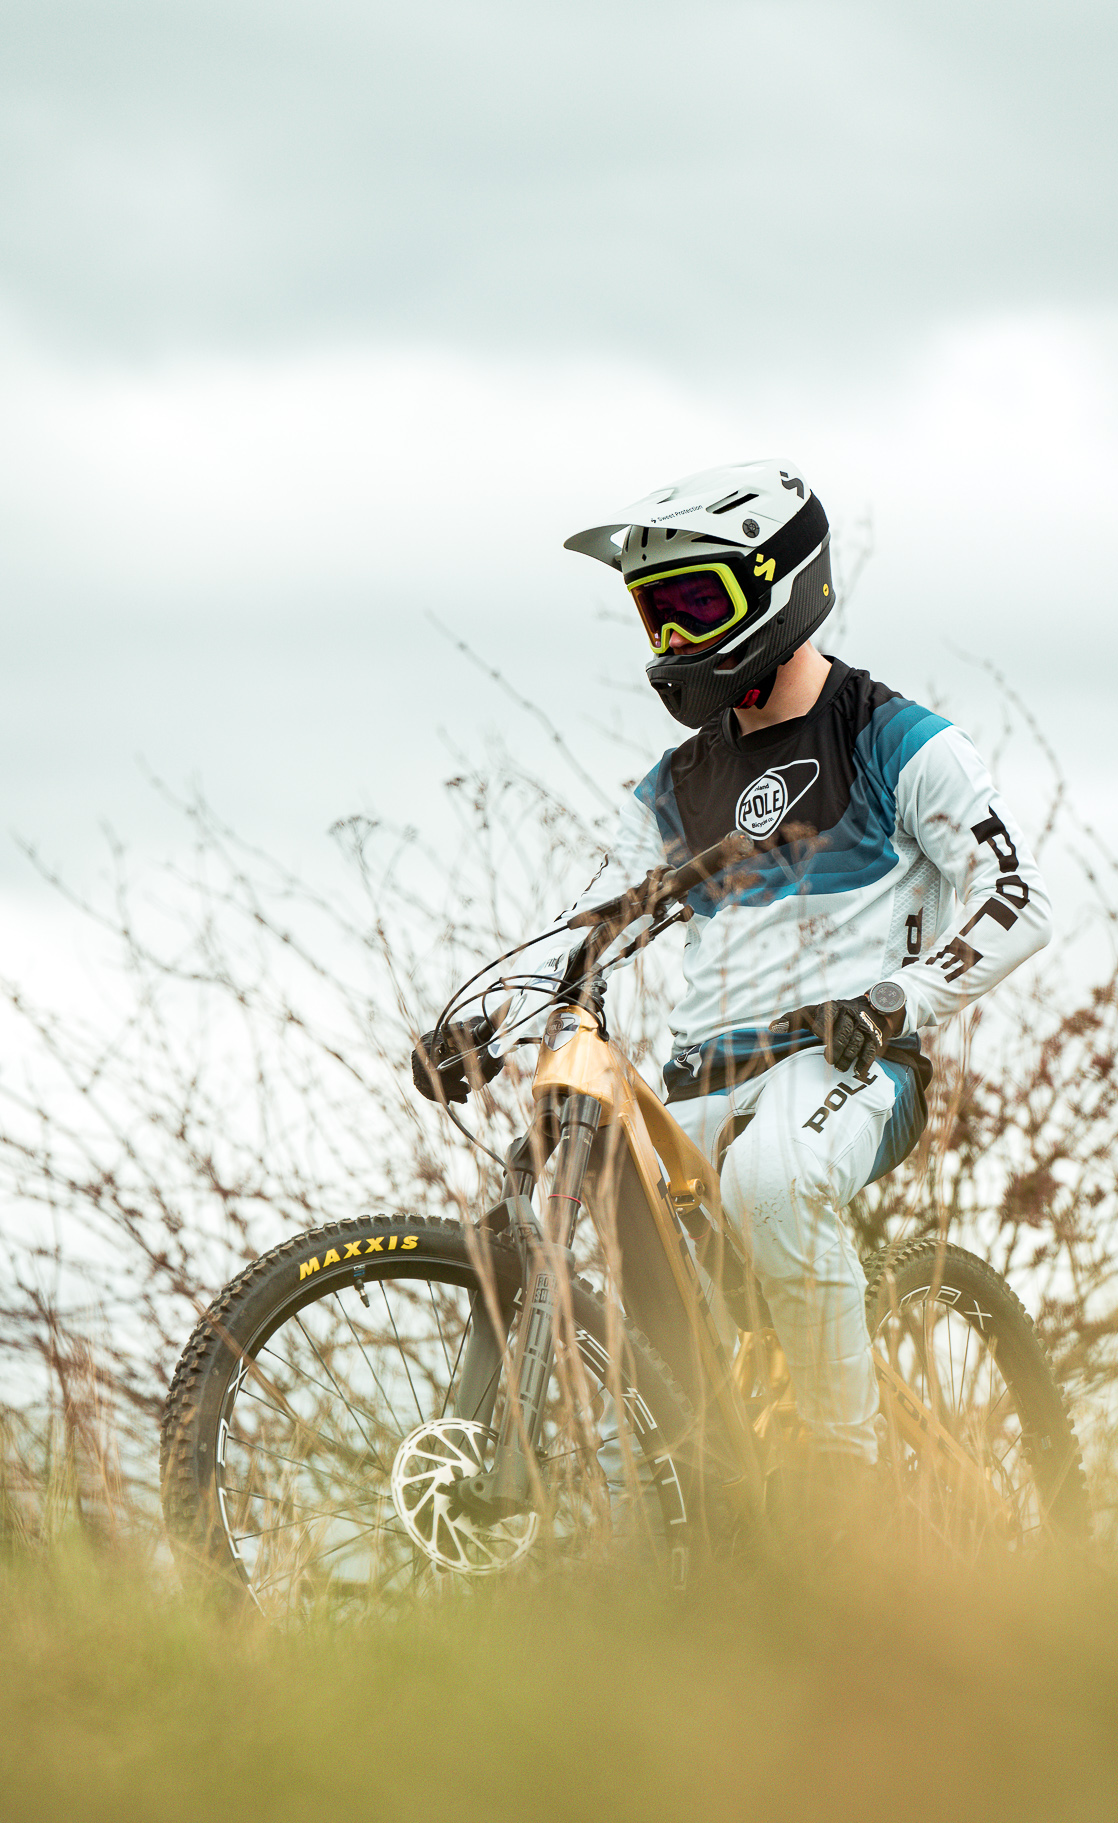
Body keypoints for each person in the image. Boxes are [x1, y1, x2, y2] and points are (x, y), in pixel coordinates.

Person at [422, 459, 1052, 1473]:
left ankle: (844, 1488)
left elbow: (1018, 898)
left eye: (696, 607)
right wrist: (490, 1018)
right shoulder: (672, 787)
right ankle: (668, 1505)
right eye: (656, 616)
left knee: (773, 1181)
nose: (674, 642)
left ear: (781, 586)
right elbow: (590, 924)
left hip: (845, 1061)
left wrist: (899, 999)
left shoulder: (895, 738)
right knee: (639, 1283)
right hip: (700, 1085)